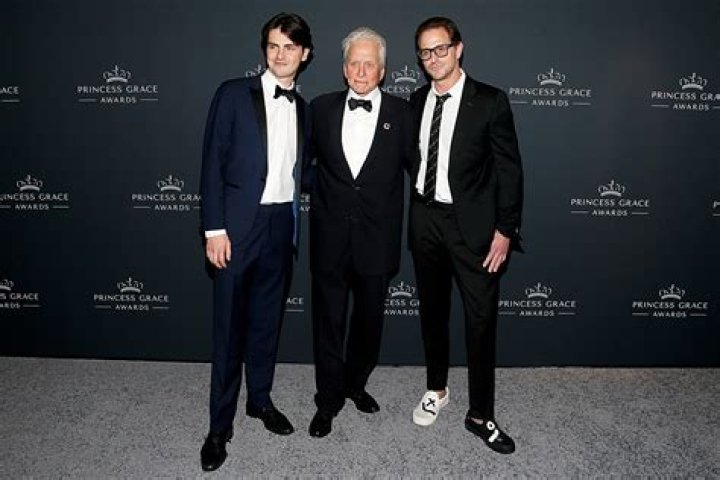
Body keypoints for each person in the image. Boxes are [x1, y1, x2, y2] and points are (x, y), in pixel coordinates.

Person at [198, 12, 313, 471]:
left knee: (267, 324)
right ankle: (218, 428)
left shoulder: (303, 108)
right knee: (229, 330)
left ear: (305, 53)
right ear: (265, 50)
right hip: (236, 228)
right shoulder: (232, 94)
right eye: (273, 46)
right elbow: (212, 162)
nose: (280, 54)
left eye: (290, 47)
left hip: (281, 227)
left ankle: (260, 401)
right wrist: (214, 229)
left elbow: (302, 173)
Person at [408, 16, 524, 454]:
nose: (433, 58)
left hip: (473, 228)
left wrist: (505, 230)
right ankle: (436, 389)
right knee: (432, 313)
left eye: (441, 48)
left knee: (480, 321)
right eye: (425, 51)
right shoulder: (416, 100)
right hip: (424, 220)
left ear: (458, 48)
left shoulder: (490, 101)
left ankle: (480, 414)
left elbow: (510, 171)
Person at [307, 27, 415, 437]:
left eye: (370, 64)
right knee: (328, 323)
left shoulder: (403, 114)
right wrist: (326, 191)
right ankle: (327, 399)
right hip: (330, 237)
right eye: (355, 62)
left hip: (377, 239)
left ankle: (355, 383)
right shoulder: (320, 108)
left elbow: (420, 170)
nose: (362, 71)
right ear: (344, 68)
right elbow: (300, 166)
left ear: (383, 71)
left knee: (369, 323)